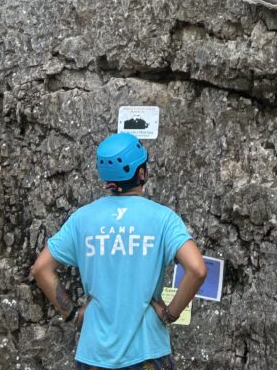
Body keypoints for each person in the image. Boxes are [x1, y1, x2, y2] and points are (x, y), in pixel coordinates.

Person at [31, 133, 207, 370]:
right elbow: (196, 270)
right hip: (147, 351)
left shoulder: (82, 219)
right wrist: (169, 314)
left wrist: (73, 314)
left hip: (94, 353)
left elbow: (41, 269)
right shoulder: (163, 218)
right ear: (141, 173)